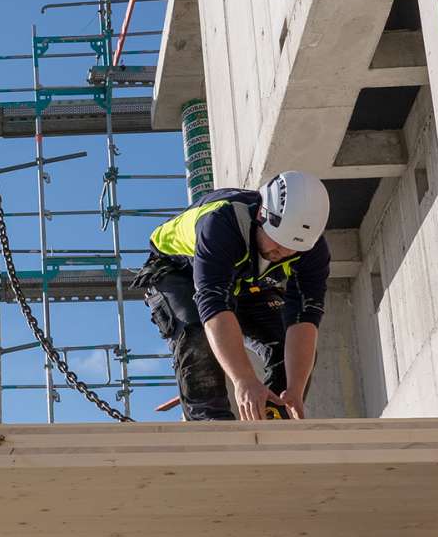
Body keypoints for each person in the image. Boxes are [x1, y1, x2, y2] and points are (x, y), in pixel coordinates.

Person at [136, 171, 332, 421]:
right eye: (277, 242)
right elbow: (213, 302)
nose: (281, 253)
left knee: (285, 347)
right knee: (197, 339)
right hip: (178, 271)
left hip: (245, 280)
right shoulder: (221, 222)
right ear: (263, 216)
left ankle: (271, 418)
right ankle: (210, 426)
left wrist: (294, 389)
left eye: (290, 249)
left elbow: (305, 318)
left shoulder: (311, 249)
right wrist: (244, 380)